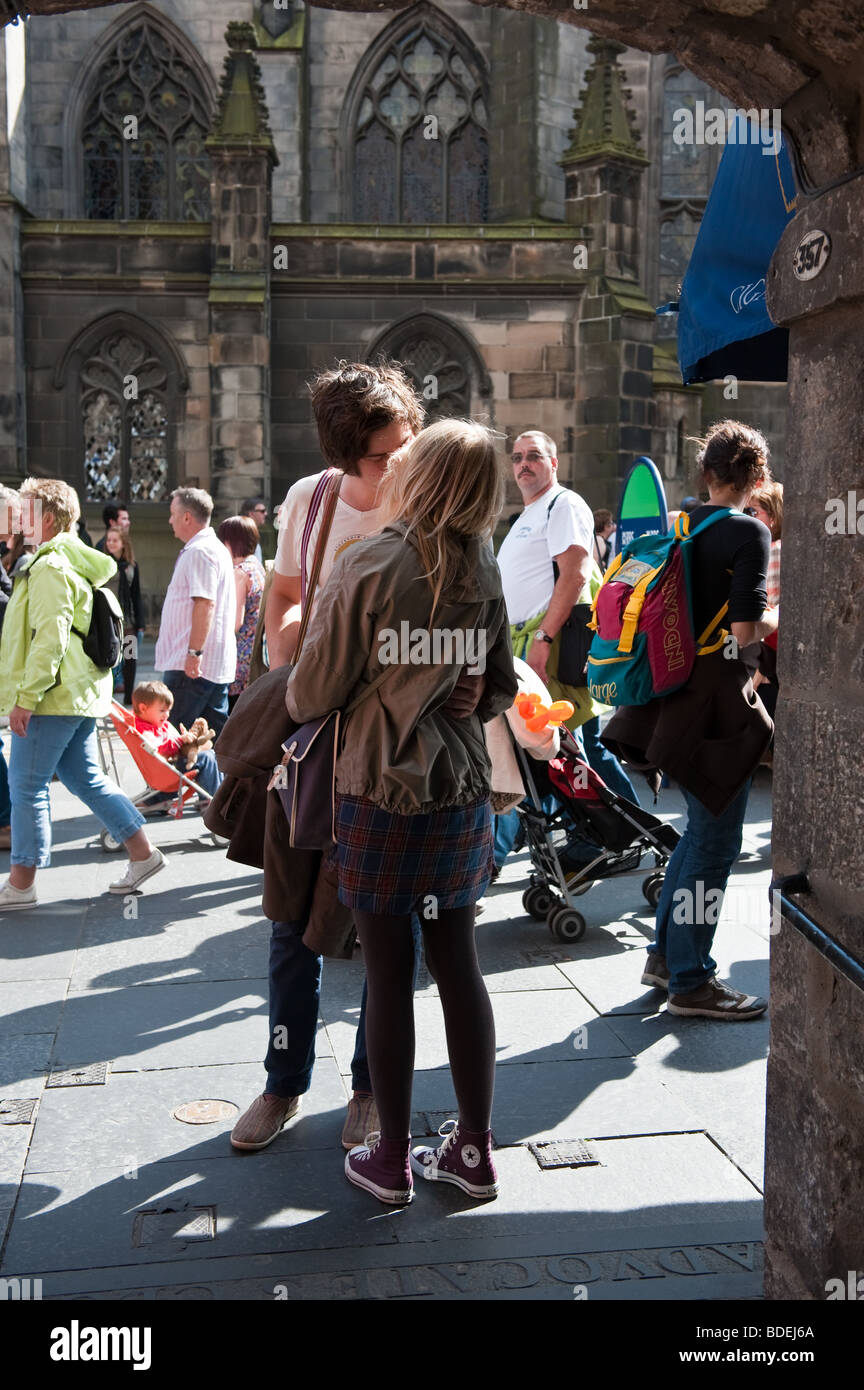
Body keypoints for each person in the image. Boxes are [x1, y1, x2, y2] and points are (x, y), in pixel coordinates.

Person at [285, 419, 518, 1205]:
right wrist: (463, 687)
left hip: (379, 790)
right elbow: (500, 684)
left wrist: (387, 686)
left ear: (419, 480)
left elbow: (310, 692)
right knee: (458, 960)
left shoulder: (370, 563)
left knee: (386, 971)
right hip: (459, 789)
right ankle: (475, 1152)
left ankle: (390, 1159)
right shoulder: (483, 567)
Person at [229, 360, 431, 1157]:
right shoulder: (309, 500)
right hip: (311, 749)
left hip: (392, 753)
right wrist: (289, 655)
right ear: (348, 454)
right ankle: (282, 1083)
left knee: (388, 930)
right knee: (291, 926)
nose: (402, 463)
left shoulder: (431, 500)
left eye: (409, 443)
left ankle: (370, 1089)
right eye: (386, 454)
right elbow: (281, 595)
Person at [605, 421, 777, 1020]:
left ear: (706, 474)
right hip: (714, 705)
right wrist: (770, 630)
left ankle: (664, 955)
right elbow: (745, 631)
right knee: (715, 843)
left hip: (664, 698)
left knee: (698, 834)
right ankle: (692, 980)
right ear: (755, 478)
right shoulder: (748, 531)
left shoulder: (678, 526)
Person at [0, 478, 166, 909]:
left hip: (53, 696)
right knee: (85, 780)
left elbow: (49, 638)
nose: (19, 519)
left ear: (49, 520)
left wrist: (26, 698)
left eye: (27, 512)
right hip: (77, 693)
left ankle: (21, 883)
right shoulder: (70, 562)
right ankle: (143, 854)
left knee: (27, 786)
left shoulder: (50, 566)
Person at [493, 429, 641, 871]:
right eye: (517, 457)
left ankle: (620, 835)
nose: (524, 464)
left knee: (574, 745)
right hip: (526, 644)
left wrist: (542, 640)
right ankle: (611, 834)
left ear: (554, 464)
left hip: (549, 646)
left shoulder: (563, 503)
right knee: (564, 746)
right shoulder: (528, 514)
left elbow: (574, 576)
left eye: (534, 456)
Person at [154, 487, 236, 740]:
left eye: (172, 513)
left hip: (190, 665)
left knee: (175, 741)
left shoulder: (201, 551)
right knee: (210, 742)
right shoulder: (212, 548)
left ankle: (175, 782)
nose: (169, 521)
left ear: (187, 517)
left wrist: (194, 653)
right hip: (207, 663)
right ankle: (213, 781)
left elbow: (205, 603)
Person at [132, 680, 223, 803]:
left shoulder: (159, 724)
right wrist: (180, 741)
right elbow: (159, 751)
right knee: (207, 757)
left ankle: (218, 792)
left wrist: (186, 739)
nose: (167, 715)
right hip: (167, 771)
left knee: (210, 753)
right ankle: (212, 797)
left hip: (170, 767)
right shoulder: (144, 732)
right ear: (143, 708)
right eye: (162, 711)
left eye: (168, 710)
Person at [217, 515, 265, 711]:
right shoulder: (257, 567)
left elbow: (234, 621)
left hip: (240, 655)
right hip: (255, 650)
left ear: (229, 543)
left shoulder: (240, 573)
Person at [104, 526, 142, 705]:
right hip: (108, 618)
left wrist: (140, 622)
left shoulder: (132, 567)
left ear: (123, 544)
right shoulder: (103, 563)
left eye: (115, 540)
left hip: (128, 620)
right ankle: (106, 696)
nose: (111, 543)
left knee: (130, 657)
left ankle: (128, 696)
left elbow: (136, 595)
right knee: (109, 658)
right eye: (109, 540)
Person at [240, 499, 267, 563]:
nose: (266, 513)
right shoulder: (243, 534)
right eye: (262, 511)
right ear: (251, 513)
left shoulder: (251, 533)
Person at [592, 507, 616, 572]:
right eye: (611, 523)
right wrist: (601, 564)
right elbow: (594, 562)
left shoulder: (597, 539)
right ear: (606, 526)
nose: (614, 526)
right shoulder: (599, 540)